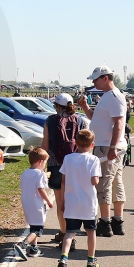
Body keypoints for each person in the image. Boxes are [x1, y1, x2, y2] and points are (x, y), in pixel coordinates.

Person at [77, 66, 128, 237]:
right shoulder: (107, 97)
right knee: (115, 183)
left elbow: (119, 122)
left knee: (104, 183)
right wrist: (84, 106)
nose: (93, 82)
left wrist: (112, 146)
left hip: (107, 146)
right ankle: (117, 221)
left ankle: (105, 222)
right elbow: (97, 118)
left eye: (96, 79)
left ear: (105, 78)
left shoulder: (113, 96)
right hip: (108, 144)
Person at [41, 93, 88, 246]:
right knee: (73, 201)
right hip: (76, 165)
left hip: (56, 164)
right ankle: (71, 233)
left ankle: (64, 234)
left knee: (61, 201)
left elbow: (46, 145)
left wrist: (41, 165)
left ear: (56, 106)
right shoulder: (81, 120)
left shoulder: (50, 120)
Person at [56, 129, 101, 267]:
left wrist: (62, 200)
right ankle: (91, 260)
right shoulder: (94, 160)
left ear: (76, 143)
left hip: (72, 202)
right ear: (92, 144)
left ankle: (63, 259)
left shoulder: (68, 158)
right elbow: (94, 181)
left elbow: (63, 181)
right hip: (88, 203)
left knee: (69, 233)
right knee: (90, 232)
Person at [18, 147, 53, 257]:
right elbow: (40, 189)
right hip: (36, 203)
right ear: (41, 162)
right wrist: (48, 201)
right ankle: (22, 244)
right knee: (38, 230)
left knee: (33, 226)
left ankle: (34, 249)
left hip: (26, 202)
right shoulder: (40, 174)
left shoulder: (25, 173)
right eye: (45, 162)